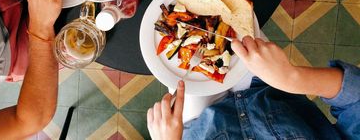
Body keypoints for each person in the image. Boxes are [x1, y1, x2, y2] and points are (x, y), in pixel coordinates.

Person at [147, 37, 360, 140]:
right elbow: (356, 101)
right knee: (231, 17)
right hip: (269, 87)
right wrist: (292, 77)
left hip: (198, 120)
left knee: (179, 44)